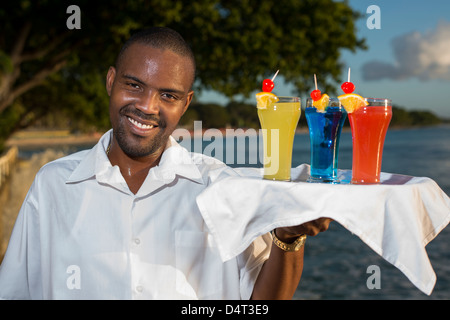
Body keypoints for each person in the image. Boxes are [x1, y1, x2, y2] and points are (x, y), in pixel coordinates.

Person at [0, 27, 331, 300]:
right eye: (134, 85)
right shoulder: (53, 185)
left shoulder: (223, 188)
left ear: (185, 103)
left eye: (168, 96)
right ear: (110, 81)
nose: (146, 106)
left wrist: (287, 239)